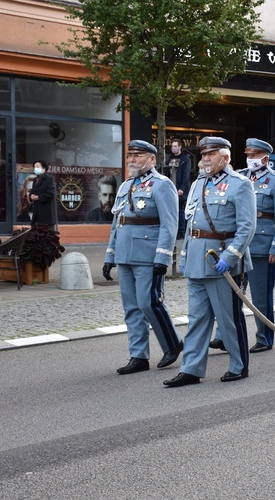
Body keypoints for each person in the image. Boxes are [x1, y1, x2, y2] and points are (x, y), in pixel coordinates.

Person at [163, 137, 256, 386]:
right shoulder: (197, 184)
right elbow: (191, 222)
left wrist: (230, 257)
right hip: (197, 258)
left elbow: (247, 227)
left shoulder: (240, 184)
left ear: (225, 157)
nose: (205, 159)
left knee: (228, 318)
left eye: (211, 154)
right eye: (203, 154)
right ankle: (191, 369)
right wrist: (184, 255)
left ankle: (238, 365)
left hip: (221, 258)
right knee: (197, 318)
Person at [102, 140, 183, 376]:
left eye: (138, 156)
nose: (132, 160)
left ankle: (172, 344)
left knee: (149, 303)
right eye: (130, 156)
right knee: (131, 307)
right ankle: (138, 356)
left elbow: (170, 224)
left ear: (151, 160)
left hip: (148, 254)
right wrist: (110, 255)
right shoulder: (125, 186)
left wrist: (164, 257)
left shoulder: (162, 185)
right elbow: (118, 223)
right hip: (126, 253)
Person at [236, 138, 275, 353]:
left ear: (265, 158)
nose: (250, 159)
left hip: (262, 244)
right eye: (248, 155)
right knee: (233, 293)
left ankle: (265, 337)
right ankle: (225, 335)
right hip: (239, 245)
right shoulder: (239, 177)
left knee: (260, 295)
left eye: (254, 155)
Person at [166, 139, 191, 239]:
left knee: (180, 210)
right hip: (171, 186)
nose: (173, 148)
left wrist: (182, 188)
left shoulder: (185, 159)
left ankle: (181, 231)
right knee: (172, 210)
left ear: (180, 147)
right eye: (172, 146)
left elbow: (186, 175)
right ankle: (174, 230)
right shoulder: (169, 158)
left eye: (175, 146)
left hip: (179, 187)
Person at [29, 160, 57, 228]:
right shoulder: (35, 179)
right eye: (34, 167)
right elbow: (33, 191)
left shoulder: (49, 179)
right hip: (36, 212)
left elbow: (51, 194)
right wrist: (31, 196)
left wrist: (38, 197)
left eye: (38, 167)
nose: (36, 168)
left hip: (46, 213)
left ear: (44, 168)